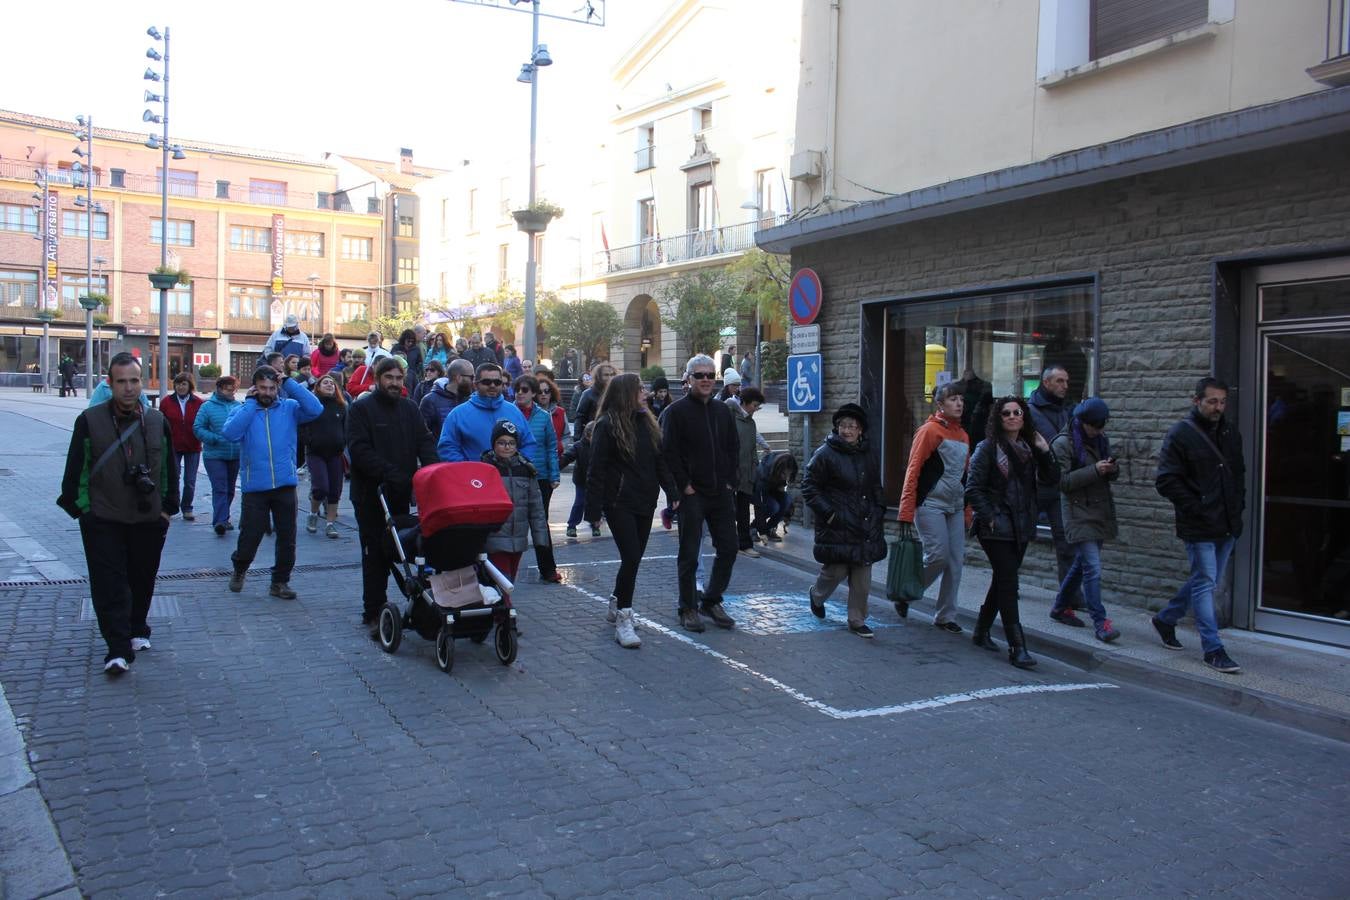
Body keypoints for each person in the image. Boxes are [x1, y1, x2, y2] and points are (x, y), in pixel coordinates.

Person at [57, 353, 177, 675]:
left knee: (142, 578)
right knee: (109, 584)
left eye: (134, 381)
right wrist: (84, 510)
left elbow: (168, 467)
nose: (128, 388)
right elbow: (75, 469)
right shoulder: (90, 419)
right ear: (109, 384)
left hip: (147, 517)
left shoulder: (155, 420)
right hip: (103, 517)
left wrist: (167, 509)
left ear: (142, 382)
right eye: (121, 381)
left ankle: (138, 627)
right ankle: (117, 648)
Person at [1153, 377, 1247, 674]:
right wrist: (1198, 507)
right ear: (1197, 401)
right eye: (1212, 401)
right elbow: (1166, 480)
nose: (1218, 407)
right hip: (1199, 524)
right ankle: (1213, 648)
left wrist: (1237, 508)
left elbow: (1239, 474)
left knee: (1205, 581)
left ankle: (1166, 618)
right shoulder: (1181, 434)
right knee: (1206, 582)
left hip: (1227, 521)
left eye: (1222, 401)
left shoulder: (1231, 432)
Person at [346, 356, 440, 629]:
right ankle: (373, 610)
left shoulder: (410, 409)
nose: (395, 383)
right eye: (389, 378)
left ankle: (416, 604)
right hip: (371, 494)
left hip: (400, 494)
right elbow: (359, 450)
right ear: (378, 379)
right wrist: (390, 474)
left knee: (400, 549)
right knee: (374, 553)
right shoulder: (361, 409)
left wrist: (433, 471)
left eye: (399, 378)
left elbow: (425, 441)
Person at [965, 395, 1058, 668]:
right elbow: (973, 488)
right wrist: (990, 517)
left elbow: (1053, 480)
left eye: (1017, 412)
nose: (1013, 417)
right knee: (1009, 582)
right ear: (998, 418)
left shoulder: (1029, 449)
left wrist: (1044, 450)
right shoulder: (988, 448)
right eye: (1006, 413)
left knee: (1003, 580)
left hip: (1021, 526)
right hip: (995, 527)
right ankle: (1017, 646)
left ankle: (981, 630)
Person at [586, 373, 678, 648]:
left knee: (634, 558)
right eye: (640, 389)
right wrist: (593, 510)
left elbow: (660, 461)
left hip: (645, 500)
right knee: (631, 556)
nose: (646, 393)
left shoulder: (647, 422)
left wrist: (672, 493)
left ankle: (616, 601)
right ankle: (624, 617)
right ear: (626, 393)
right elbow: (596, 469)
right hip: (618, 502)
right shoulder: (607, 425)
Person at [222, 365, 323, 600]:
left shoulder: (289, 408)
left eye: (271, 388)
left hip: (285, 484)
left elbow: (315, 408)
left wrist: (289, 382)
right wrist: (250, 405)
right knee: (251, 535)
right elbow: (230, 433)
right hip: (255, 486)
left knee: (287, 538)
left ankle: (280, 581)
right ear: (254, 388)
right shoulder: (244, 410)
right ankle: (240, 568)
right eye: (262, 388)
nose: (267, 392)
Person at [663, 353, 740, 632]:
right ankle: (688, 607)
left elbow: (733, 448)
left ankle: (711, 600)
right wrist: (684, 486)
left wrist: (732, 479)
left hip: (721, 492)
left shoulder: (722, 411)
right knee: (689, 553)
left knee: (729, 548)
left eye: (711, 375)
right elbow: (668, 453)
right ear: (688, 379)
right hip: (693, 494)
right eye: (700, 375)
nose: (706, 380)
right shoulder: (675, 413)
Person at [802, 403, 887, 637]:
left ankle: (857, 620)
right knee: (835, 571)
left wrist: (879, 509)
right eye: (843, 426)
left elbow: (875, 485)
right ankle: (816, 596)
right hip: (838, 523)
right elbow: (809, 487)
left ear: (860, 430)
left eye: (852, 426)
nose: (847, 431)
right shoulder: (825, 454)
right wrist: (829, 513)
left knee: (862, 577)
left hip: (864, 523)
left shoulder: (868, 453)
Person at [898, 383, 970, 629]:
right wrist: (906, 510)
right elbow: (913, 469)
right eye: (953, 399)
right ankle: (907, 591)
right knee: (938, 556)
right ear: (940, 404)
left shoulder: (963, 434)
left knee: (955, 562)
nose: (959, 403)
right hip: (930, 504)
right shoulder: (929, 431)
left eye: (961, 398)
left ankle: (946, 616)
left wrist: (967, 510)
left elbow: (964, 475)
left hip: (955, 506)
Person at [1050, 397, 1121, 643]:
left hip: (1099, 510)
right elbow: (1062, 482)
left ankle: (1060, 606)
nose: (1099, 431)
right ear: (1083, 423)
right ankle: (1100, 622)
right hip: (1077, 511)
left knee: (1082, 564)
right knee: (1092, 568)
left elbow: (1108, 474)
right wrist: (1095, 470)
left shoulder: (1101, 440)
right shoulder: (1063, 443)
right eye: (1096, 426)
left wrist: (1111, 469)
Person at [1027, 365, 1083, 614]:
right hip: (1035, 485)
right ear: (1046, 382)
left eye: (1067, 381)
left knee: (1066, 542)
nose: (1065, 386)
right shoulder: (1029, 411)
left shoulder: (1068, 410)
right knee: (1020, 535)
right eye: (1060, 381)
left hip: (1059, 486)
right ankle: (1006, 581)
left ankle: (1070, 594)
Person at [481, 419, 549, 604]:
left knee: (509, 580)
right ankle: (506, 620)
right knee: (502, 580)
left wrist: (541, 539)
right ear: (494, 444)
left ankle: (500, 613)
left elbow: (536, 508)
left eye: (511, 443)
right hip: (495, 537)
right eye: (501, 443)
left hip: (518, 537)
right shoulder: (486, 468)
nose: (507, 447)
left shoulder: (526, 469)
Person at [513, 375, 563, 583]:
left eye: (525, 390)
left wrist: (554, 475)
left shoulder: (543, 416)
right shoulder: (508, 413)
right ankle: (507, 569)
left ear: (533, 393)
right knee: (513, 523)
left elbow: (551, 446)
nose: (520, 393)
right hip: (514, 475)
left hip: (540, 476)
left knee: (540, 523)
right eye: (517, 389)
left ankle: (548, 569)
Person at [437, 362, 536, 463]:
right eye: (487, 382)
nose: (492, 385)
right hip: (474, 477)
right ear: (475, 384)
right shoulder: (458, 414)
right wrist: (468, 470)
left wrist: (519, 467)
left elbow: (529, 443)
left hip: (510, 477)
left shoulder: (514, 411)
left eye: (497, 382)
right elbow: (447, 448)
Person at [194, 375, 243, 536]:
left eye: (233, 389)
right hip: (214, 455)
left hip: (234, 454)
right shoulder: (207, 407)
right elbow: (198, 428)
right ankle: (220, 521)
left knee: (230, 490)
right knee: (220, 488)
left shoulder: (238, 406)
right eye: (228, 389)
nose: (231, 392)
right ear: (219, 388)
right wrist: (214, 438)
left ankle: (224, 517)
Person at [302, 373, 347, 540]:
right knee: (321, 487)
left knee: (334, 490)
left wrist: (344, 442)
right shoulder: (313, 406)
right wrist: (309, 441)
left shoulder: (342, 406)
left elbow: (346, 428)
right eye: (325, 383)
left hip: (336, 453)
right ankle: (313, 514)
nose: (329, 385)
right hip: (316, 453)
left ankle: (330, 523)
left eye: (332, 383)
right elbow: (302, 427)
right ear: (318, 387)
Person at [160, 372, 204, 522]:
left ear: (189, 386)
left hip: (193, 445)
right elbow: (162, 424)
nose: (180, 387)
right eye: (178, 384)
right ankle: (171, 506)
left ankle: (187, 508)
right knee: (173, 477)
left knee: (190, 480)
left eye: (184, 384)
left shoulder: (199, 402)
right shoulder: (166, 402)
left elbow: (202, 423)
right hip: (173, 446)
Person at [731, 387, 766, 558]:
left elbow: (752, 448)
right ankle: (728, 542)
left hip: (747, 475)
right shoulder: (731, 419)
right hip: (730, 475)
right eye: (754, 405)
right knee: (729, 511)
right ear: (744, 403)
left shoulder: (751, 423)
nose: (755, 409)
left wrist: (754, 466)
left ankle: (744, 544)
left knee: (744, 511)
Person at [752, 451, 797, 543]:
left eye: (789, 474)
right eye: (784, 474)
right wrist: (762, 531)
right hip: (756, 492)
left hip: (771, 490)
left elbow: (781, 494)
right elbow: (759, 505)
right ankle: (752, 528)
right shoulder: (763, 472)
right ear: (778, 469)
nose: (786, 478)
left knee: (786, 501)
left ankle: (770, 529)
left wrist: (787, 515)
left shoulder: (787, 464)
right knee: (774, 507)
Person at [421, 358, 473, 436]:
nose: (473, 381)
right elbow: (422, 435)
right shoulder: (430, 401)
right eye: (471, 377)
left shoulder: (470, 400)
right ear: (459, 378)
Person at [561, 422, 596, 538]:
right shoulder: (579, 446)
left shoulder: (601, 445)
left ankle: (595, 523)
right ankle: (571, 525)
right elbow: (567, 457)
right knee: (579, 502)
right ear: (587, 435)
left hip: (596, 479)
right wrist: (556, 467)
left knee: (595, 503)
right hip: (581, 479)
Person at [575, 362, 615, 435]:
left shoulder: (618, 393)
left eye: (612, 375)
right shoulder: (588, 394)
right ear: (599, 376)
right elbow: (580, 418)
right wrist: (577, 438)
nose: (610, 378)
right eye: (606, 375)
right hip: (593, 435)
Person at [534, 373, 567, 458]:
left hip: (556, 457)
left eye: (546, 391)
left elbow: (566, 435)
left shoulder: (560, 412)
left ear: (551, 393)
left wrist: (560, 447)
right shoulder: (532, 413)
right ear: (535, 394)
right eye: (539, 392)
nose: (543, 394)